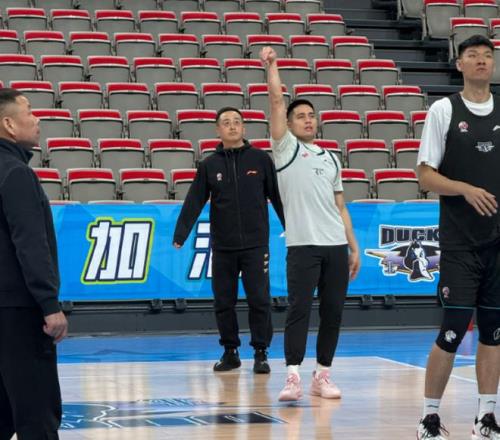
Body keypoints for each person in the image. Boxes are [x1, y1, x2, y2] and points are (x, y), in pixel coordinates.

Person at [260, 46, 360, 401]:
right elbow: (276, 100)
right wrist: (272, 65)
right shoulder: (285, 149)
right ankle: (292, 377)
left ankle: (322, 375)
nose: (307, 120)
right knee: (299, 310)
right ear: (288, 124)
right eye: (300, 116)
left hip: (335, 245)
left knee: (333, 312)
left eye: (311, 116)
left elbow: (340, 206)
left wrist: (353, 247)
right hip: (302, 246)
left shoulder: (331, 157)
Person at [416, 35, 500, 440]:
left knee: (494, 331)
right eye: (473, 56)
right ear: (459, 64)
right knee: (452, 330)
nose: (481, 61)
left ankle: (486, 417)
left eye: (487, 56)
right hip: (460, 242)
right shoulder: (444, 110)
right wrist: (465, 189)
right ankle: (429, 418)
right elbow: (425, 176)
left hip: (498, 243)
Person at [173, 106, 285, 374]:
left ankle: (261, 352)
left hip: (256, 245)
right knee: (224, 301)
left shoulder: (260, 159)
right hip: (223, 246)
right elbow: (194, 201)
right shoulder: (209, 165)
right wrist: (180, 234)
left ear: (244, 128)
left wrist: (292, 226)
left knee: (259, 299)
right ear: (218, 130)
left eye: (237, 122)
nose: (232, 126)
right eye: (226, 122)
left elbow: (278, 196)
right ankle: (230, 352)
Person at [0, 88, 68, 439]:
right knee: (37, 414)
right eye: (29, 111)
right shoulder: (16, 174)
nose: (37, 119)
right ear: (9, 124)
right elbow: (30, 244)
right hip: (19, 311)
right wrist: (49, 304)